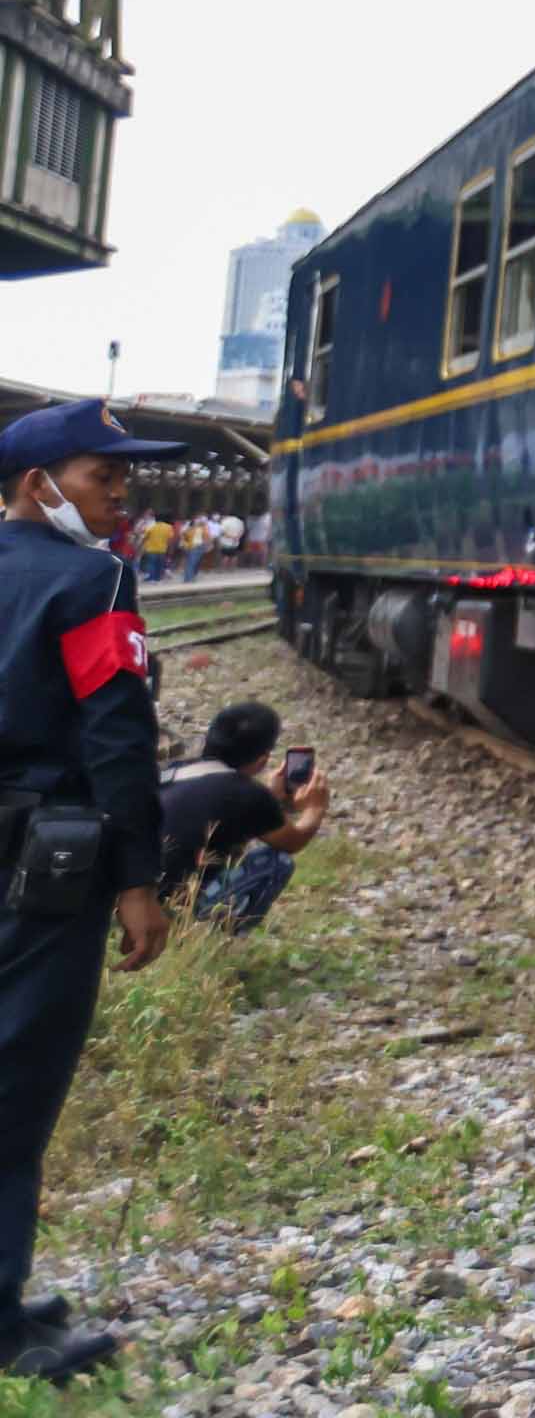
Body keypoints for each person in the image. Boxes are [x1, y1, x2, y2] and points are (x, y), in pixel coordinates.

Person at [0, 402, 174, 1384]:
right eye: (103, 478)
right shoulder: (94, 580)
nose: (121, 497)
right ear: (40, 487)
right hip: (42, 869)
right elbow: (118, 739)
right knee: (14, 1087)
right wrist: (138, 883)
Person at [159, 702, 326, 932]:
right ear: (262, 760)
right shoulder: (248, 793)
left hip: (132, 898)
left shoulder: (173, 770)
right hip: (173, 907)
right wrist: (314, 810)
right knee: (277, 862)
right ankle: (218, 934)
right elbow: (292, 841)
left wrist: (271, 798)